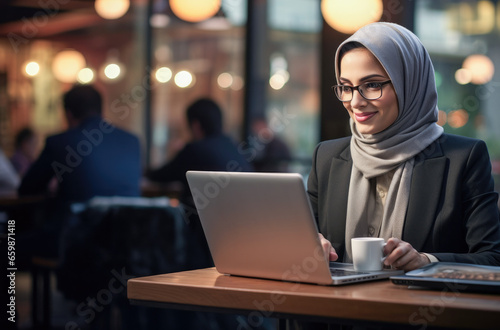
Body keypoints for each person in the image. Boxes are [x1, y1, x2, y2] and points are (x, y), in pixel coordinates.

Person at [310, 22, 500, 272]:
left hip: (416, 307)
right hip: (334, 307)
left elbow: (492, 258)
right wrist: (308, 247)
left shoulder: (463, 159)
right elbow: (300, 239)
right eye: (346, 87)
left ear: (409, 84)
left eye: (372, 85)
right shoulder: (326, 157)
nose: (355, 101)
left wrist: (427, 262)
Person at [17, 84, 142, 260]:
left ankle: (12, 289)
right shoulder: (132, 141)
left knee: (8, 245)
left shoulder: (59, 141)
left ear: (68, 114)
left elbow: (27, 188)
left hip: (73, 239)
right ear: (101, 110)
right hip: (124, 239)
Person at [146, 98, 253, 269]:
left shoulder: (195, 149)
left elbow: (160, 175)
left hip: (204, 235)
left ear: (195, 125)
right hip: (241, 231)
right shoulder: (233, 147)